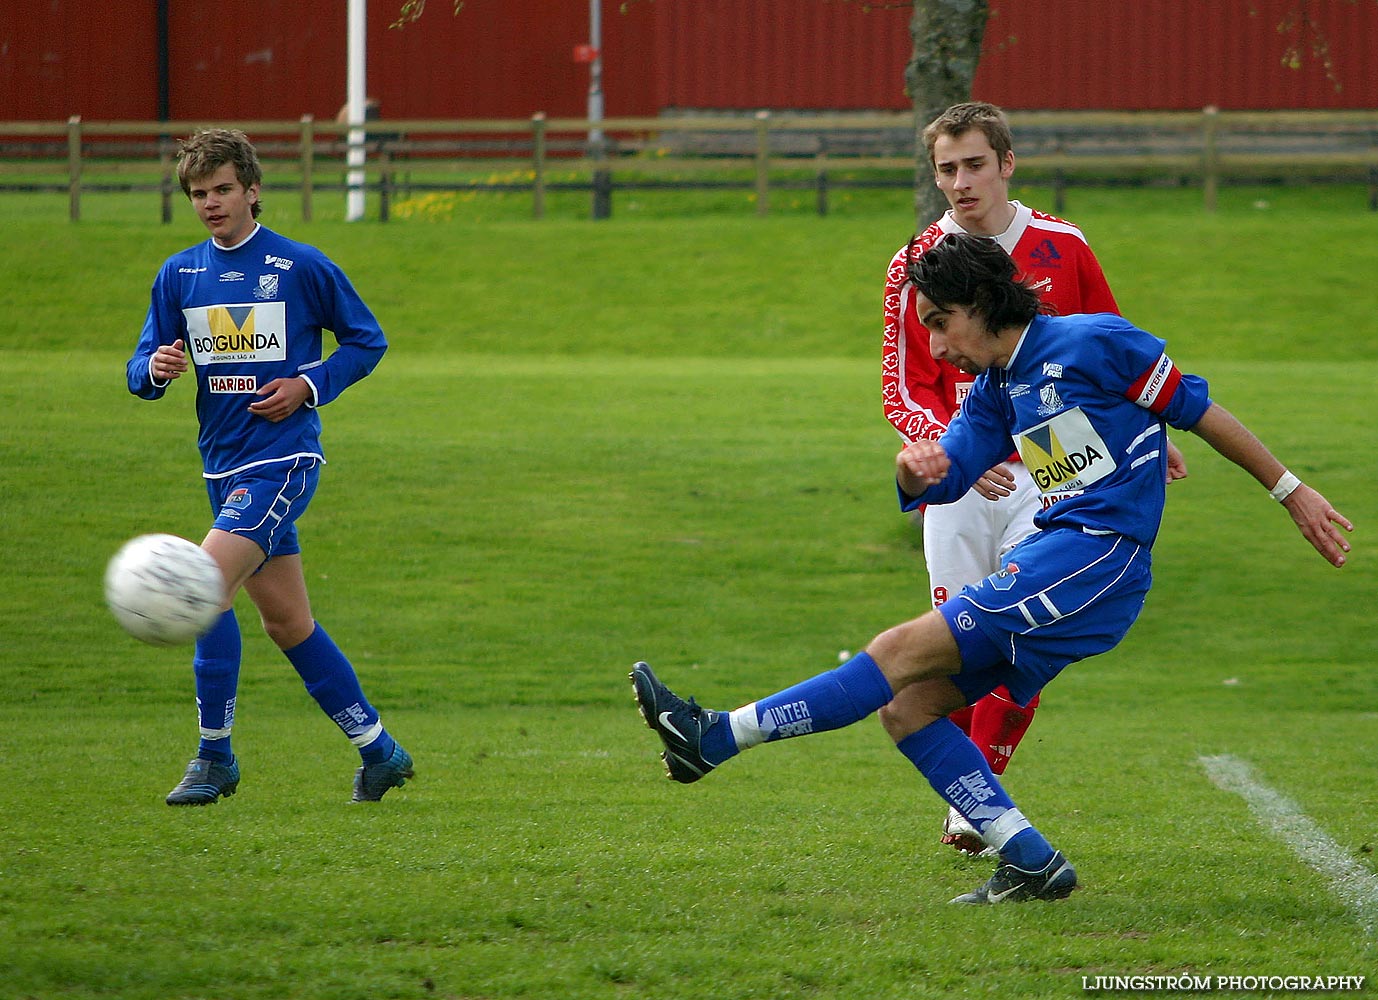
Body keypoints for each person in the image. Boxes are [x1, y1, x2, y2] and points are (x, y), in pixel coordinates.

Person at [632, 233, 1351, 904]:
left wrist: (1293, 493)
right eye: (928, 329)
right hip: (1065, 560)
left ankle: (715, 738)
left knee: (895, 652)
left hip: (1097, 556)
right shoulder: (995, 393)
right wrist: (915, 474)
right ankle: (1029, 860)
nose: (938, 345)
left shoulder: (1095, 342)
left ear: (983, 302)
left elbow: (1199, 412)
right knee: (908, 707)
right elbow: (948, 477)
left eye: (943, 322)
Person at [882, 101, 1186, 854]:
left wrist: (1153, 430)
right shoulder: (914, 264)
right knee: (950, 644)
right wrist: (946, 457)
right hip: (964, 475)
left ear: (1006, 163)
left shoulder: (1062, 246)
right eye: (946, 169)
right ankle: (974, 797)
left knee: (1021, 640)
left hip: (1058, 470)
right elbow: (904, 385)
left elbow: (1119, 352)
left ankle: (974, 802)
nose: (960, 182)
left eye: (973, 164)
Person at [125, 128, 413, 806]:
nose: (211, 203)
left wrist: (307, 384)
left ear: (252, 190)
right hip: (222, 469)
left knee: (201, 589)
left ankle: (214, 757)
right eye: (199, 194)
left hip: (283, 461)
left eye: (222, 189)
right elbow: (141, 366)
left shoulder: (300, 266)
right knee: (288, 623)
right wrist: (155, 369)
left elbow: (367, 341)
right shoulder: (181, 274)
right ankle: (380, 751)